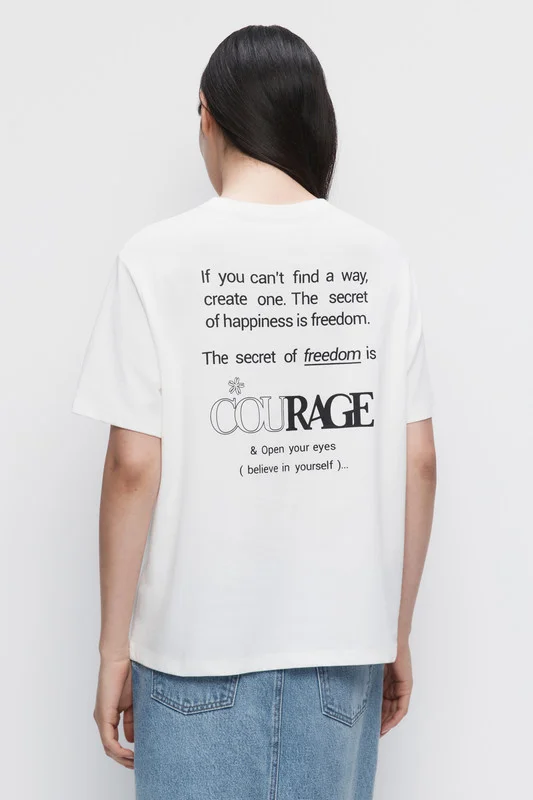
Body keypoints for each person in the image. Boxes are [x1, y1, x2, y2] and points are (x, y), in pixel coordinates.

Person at [72, 23, 437, 800]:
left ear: (208, 115)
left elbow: (133, 464)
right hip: (342, 648)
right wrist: (395, 630)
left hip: (191, 651)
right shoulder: (380, 261)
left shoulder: (155, 258)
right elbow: (418, 461)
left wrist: (112, 652)